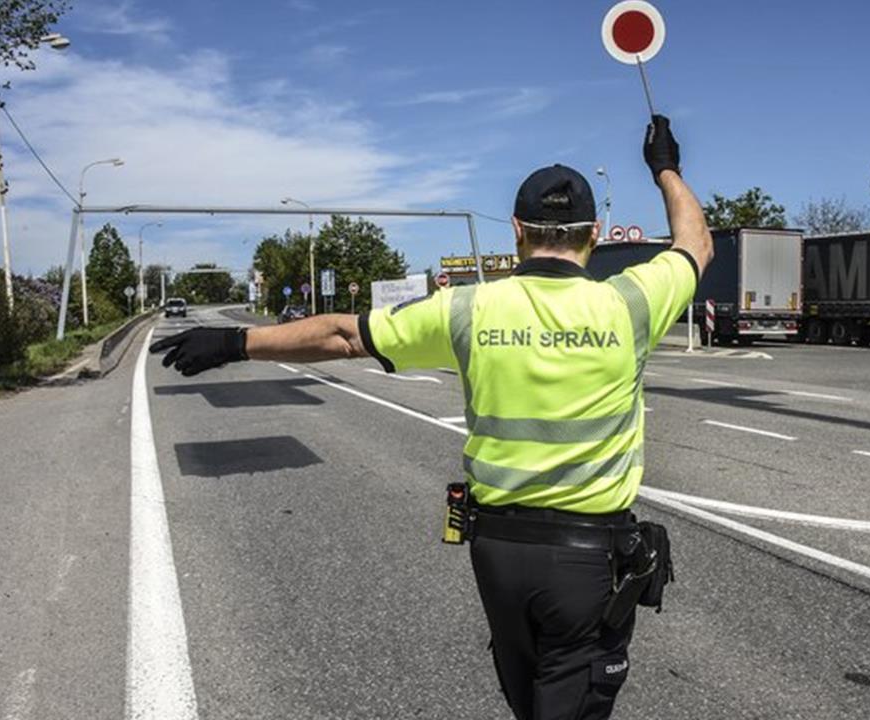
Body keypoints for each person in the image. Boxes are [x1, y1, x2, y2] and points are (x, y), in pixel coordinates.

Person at [150, 115, 713, 720]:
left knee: (528, 700)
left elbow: (344, 336)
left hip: (499, 552)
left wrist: (235, 342)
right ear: (594, 234)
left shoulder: (467, 308)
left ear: (518, 231)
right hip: (588, 561)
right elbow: (695, 245)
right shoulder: (631, 302)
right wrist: (666, 169)